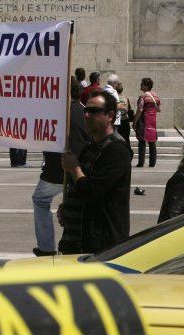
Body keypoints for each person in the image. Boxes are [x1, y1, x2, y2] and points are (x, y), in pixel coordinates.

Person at [59, 90, 131, 254]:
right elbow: (79, 189)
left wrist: (75, 168)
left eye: (94, 111)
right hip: (76, 241)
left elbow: (92, 192)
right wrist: (69, 209)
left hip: (100, 246)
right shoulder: (90, 146)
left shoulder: (116, 150)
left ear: (110, 116)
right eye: (86, 110)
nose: (87, 115)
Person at [31, 78, 90, 256]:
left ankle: (47, 248)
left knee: (40, 200)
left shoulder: (55, 112)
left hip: (58, 170)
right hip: (82, 169)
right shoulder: (84, 112)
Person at [134, 77, 160, 167]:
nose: (140, 86)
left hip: (143, 121)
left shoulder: (143, 97)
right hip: (152, 121)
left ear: (146, 86)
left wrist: (134, 121)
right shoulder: (156, 96)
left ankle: (141, 162)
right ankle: (152, 162)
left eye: (142, 84)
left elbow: (140, 109)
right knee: (152, 141)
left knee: (142, 141)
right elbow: (159, 109)